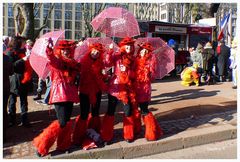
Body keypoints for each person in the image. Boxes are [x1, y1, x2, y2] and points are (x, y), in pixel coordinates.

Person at [33, 39, 80, 157]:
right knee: (61, 121)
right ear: (60, 51)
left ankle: (64, 145)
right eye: (63, 50)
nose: (66, 52)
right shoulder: (57, 62)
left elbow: (78, 73)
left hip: (70, 94)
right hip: (59, 94)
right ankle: (42, 145)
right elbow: (51, 59)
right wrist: (49, 49)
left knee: (67, 121)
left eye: (68, 50)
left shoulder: (73, 63)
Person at [100, 37, 139, 144]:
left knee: (127, 110)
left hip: (127, 87)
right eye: (127, 45)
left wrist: (128, 73)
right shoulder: (117, 56)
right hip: (115, 86)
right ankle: (106, 135)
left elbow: (135, 74)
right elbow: (107, 63)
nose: (128, 47)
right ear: (122, 46)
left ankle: (128, 134)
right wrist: (110, 51)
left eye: (130, 45)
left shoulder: (133, 59)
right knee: (110, 111)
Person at [72, 43, 108, 146]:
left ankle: (94, 132)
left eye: (98, 52)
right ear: (90, 50)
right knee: (84, 113)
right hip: (85, 91)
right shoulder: (83, 62)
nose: (96, 53)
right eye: (94, 51)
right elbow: (77, 75)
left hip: (96, 91)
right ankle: (79, 135)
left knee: (96, 112)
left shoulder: (101, 63)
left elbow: (102, 77)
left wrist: (104, 75)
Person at [133, 42, 163, 141]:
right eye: (142, 50)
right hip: (134, 88)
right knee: (135, 110)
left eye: (146, 51)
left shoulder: (150, 62)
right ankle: (136, 129)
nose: (143, 52)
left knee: (144, 110)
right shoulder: (135, 61)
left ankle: (152, 132)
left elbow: (152, 77)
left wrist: (150, 68)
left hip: (144, 89)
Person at [5, 36, 33, 127]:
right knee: (12, 100)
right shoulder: (10, 52)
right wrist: (22, 60)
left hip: (24, 79)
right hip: (14, 79)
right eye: (23, 42)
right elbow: (11, 66)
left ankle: (24, 119)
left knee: (24, 100)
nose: (25, 43)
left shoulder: (25, 51)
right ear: (18, 42)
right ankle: (12, 120)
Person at [3, 54, 14, 142]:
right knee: (3, 110)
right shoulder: (7, 58)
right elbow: (11, 72)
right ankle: (3, 136)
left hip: (5, 87)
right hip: (4, 87)